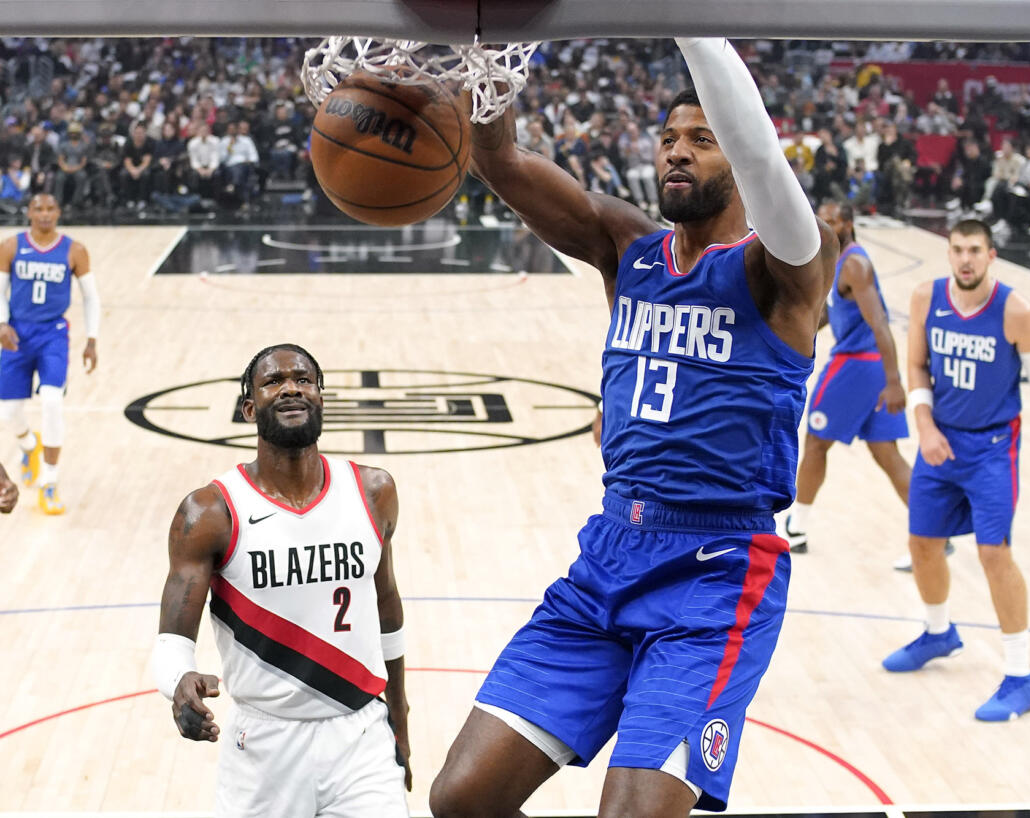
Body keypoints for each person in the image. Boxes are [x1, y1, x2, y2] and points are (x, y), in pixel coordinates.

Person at [429, 38, 834, 817]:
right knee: (462, 799)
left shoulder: (781, 272)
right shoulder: (629, 250)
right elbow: (503, 160)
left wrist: (696, 28)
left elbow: (766, 164)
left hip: (716, 570)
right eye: (669, 139)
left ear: (741, 158)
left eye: (702, 140)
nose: (678, 152)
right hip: (610, 554)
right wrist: (488, 53)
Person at [151, 344, 411, 817]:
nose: (291, 386)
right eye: (274, 381)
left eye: (303, 379)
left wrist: (401, 718)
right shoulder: (210, 512)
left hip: (361, 737)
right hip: (263, 747)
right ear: (250, 408)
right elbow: (172, 641)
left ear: (321, 398)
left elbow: (387, 608)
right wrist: (178, 681)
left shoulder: (373, 491)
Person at [883, 219, 1030, 722]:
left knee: (994, 553)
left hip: (994, 448)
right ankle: (938, 633)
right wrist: (924, 427)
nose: (965, 259)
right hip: (940, 441)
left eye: (974, 250)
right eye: (957, 250)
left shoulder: (1017, 311)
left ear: (991, 255)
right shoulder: (926, 297)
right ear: (947, 254)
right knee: (922, 545)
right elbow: (918, 367)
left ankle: (1022, 677)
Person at [783, 200, 952, 569]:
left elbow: (880, 324)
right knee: (886, 454)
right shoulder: (834, 258)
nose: (824, 225)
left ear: (847, 223)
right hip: (867, 366)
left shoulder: (855, 264)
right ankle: (935, 530)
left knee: (815, 443)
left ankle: (796, 528)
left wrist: (895, 382)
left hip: (857, 367)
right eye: (820, 220)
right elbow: (832, 312)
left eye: (831, 220)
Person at [0, 192, 99, 515]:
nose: (44, 214)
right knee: (9, 411)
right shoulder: (12, 246)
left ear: (58, 212)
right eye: (38, 208)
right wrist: (2, 322)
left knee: (53, 401)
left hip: (53, 334)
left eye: (50, 208)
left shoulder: (75, 250)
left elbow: (90, 298)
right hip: (17, 331)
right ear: (29, 211)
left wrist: (92, 339)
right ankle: (29, 444)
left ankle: (49, 481)